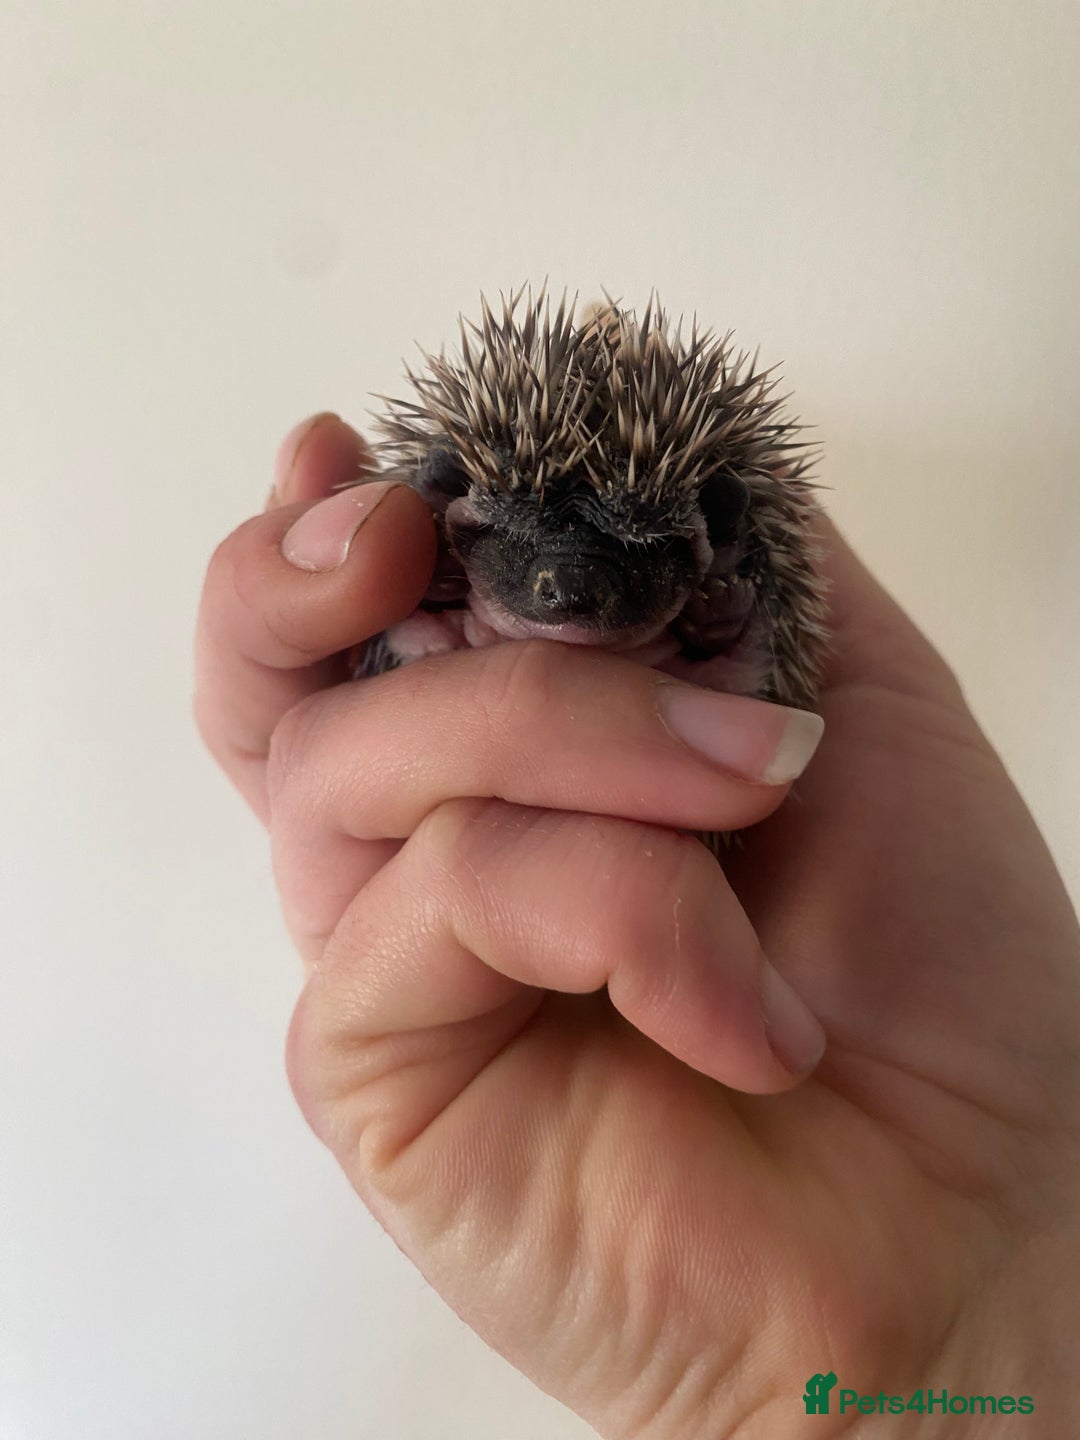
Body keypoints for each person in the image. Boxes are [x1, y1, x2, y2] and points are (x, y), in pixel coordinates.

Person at [195, 412, 1080, 1436]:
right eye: (520, 558)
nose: (567, 592)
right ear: (454, 522)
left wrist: (990, 1312)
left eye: (629, 561)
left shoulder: (744, 618)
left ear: (710, 542)